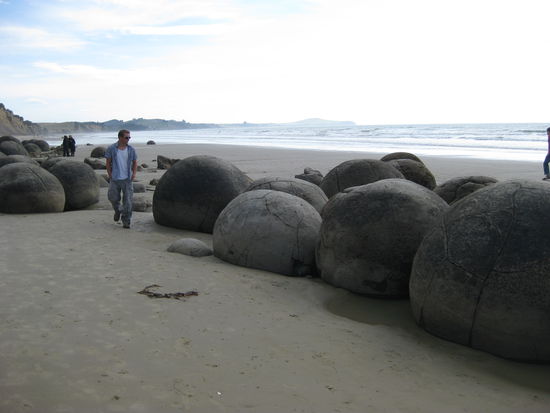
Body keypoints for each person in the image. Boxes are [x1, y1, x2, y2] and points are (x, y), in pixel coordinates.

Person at [105, 129, 138, 228]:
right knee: (112, 197)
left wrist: (134, 174)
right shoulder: (111, 148)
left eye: (129, 137)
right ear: (120, 137)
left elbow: (135, 162)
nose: (128, 139)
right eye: (126, 137)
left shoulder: (131, 149)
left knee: (128, 201)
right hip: (115, 178)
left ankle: (126, 221)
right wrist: (110, 174)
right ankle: (118, 210)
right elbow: (108, 162)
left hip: (127, 179)